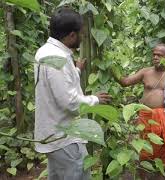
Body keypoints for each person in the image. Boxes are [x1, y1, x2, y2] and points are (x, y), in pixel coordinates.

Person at [34, 7, 110, 180]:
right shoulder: (59, 60)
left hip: (54, 134)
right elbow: (70, 103)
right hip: (64, 138)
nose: (82, 38)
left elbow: (57, 85)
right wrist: (95, 99)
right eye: (81, 34)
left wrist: (75, 70)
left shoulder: (46, 52)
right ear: (71, 36)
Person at [113, 43, 165, 167]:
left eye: (159, 55)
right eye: (154, 54)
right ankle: (145, 170)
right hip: (146, 117)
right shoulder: (146, 72)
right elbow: (125, 82)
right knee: (145, 146)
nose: (155, 57)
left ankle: (160, 170)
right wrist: (111, 69)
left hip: (163, 118)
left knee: (162, 147)